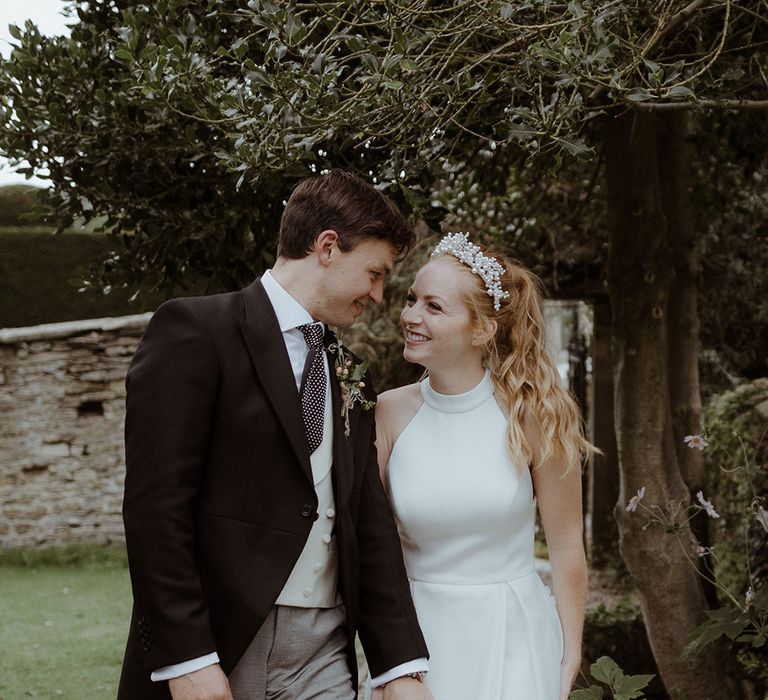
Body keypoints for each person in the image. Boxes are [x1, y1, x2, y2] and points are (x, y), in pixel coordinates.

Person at [118, 170, 431, 700]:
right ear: (327, 247)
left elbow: (366, 521)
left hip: (324, 647)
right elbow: (156, 507)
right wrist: (187, 658)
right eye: (374, 273)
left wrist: (398, 666)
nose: (378, 295)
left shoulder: (349, 370)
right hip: (224, 641)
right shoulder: (196, 332)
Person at [374, 233, 592, 700]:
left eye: (434, 307)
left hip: (516, 633)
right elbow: (370, 545)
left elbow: (567, 544)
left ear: (481, 329)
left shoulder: (532, 414)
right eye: (412, 300)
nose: (410, 316)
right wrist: (391, 667)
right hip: (419, 643)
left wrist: (570, 647)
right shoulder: (388, 413)